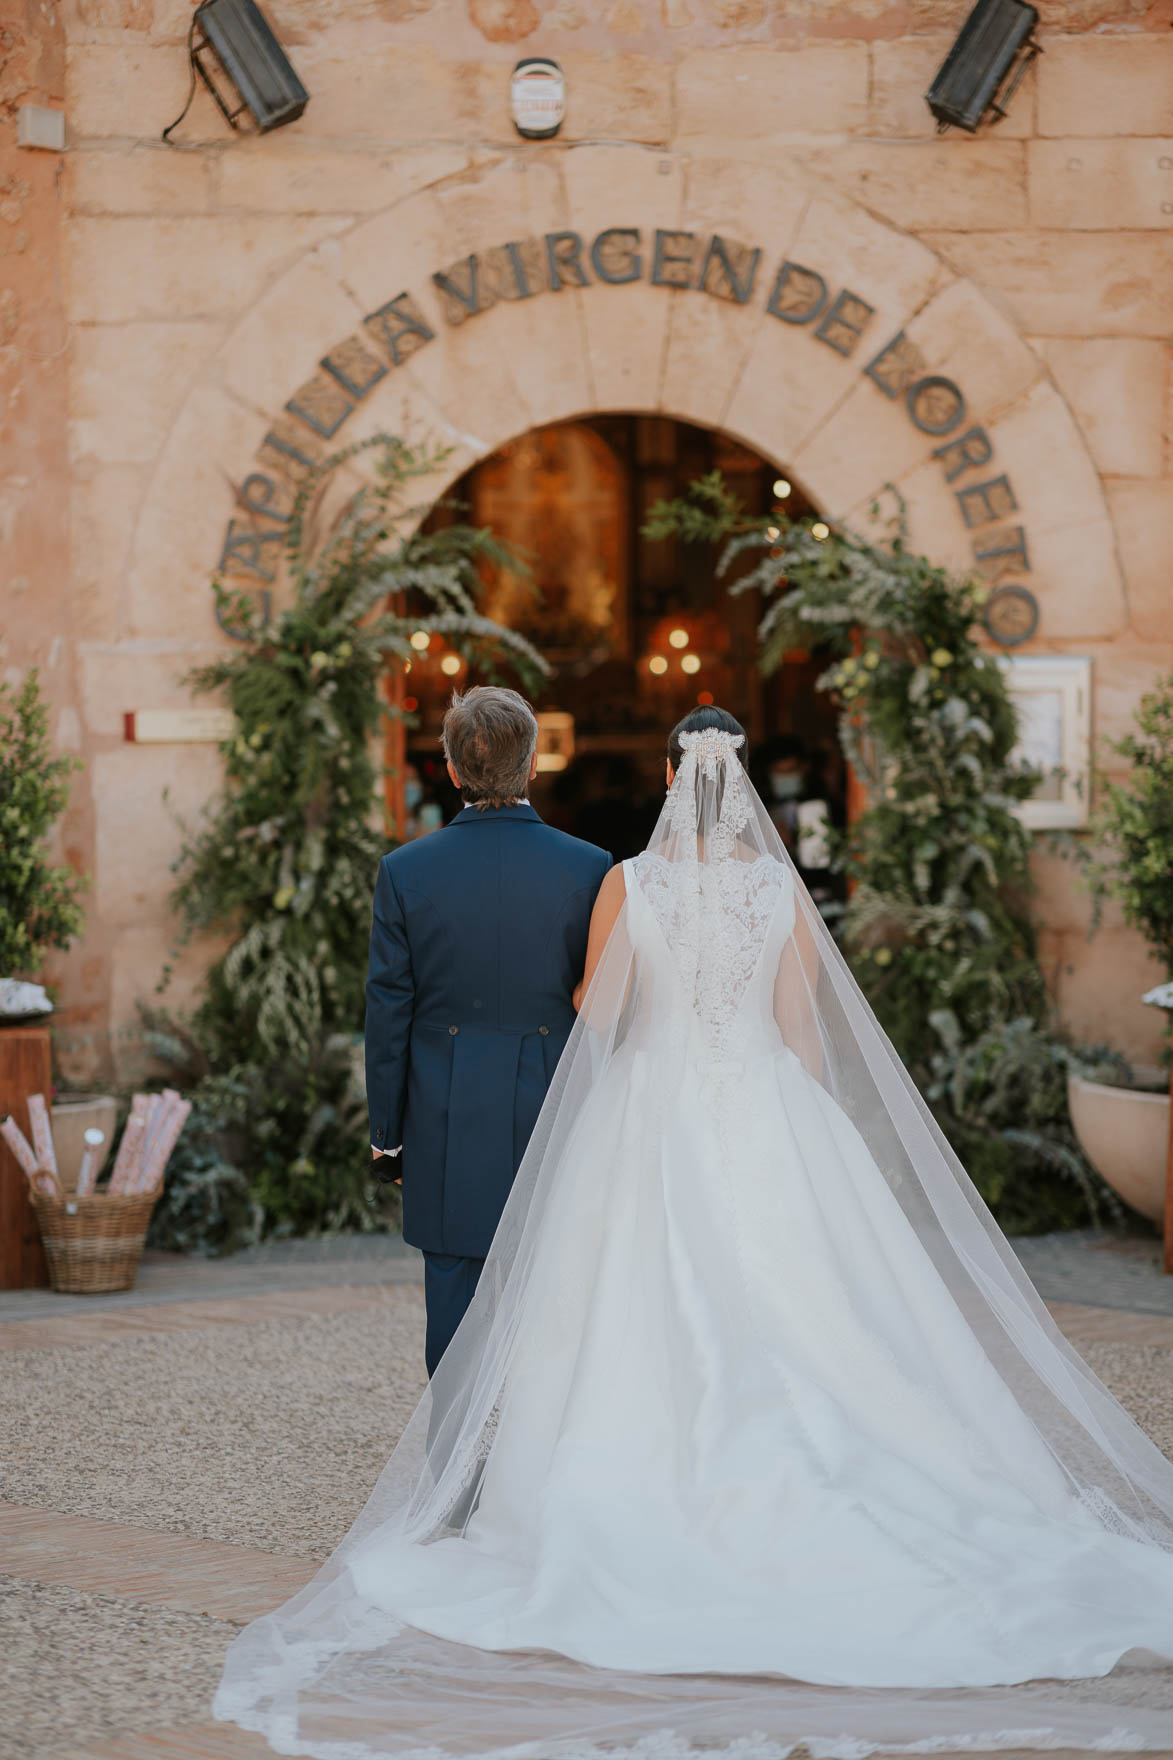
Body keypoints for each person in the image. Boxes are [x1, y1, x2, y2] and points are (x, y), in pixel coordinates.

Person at [215, 705, 1173, 1759]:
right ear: (744, 782)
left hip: (656, 1112)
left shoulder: (632, 882)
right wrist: (795, 1136)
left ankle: (555, 1486)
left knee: (628, 1311)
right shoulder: (779, 889)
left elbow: (598, 1002)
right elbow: (805, 1033)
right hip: (765, 1104)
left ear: (672, 776)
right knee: (813, 1308)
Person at [363, 685, 611, 1375]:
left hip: (444, 1111)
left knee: (453, 1290)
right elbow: (604, 1003)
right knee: (557, 1287)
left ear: (449, 769)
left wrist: (388, 1135)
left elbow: (389, 1009)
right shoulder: (591, 867)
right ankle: (540, 1454)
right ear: (534, 764)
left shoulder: (404, 871)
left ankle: (454, 1464)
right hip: (556, 1107)